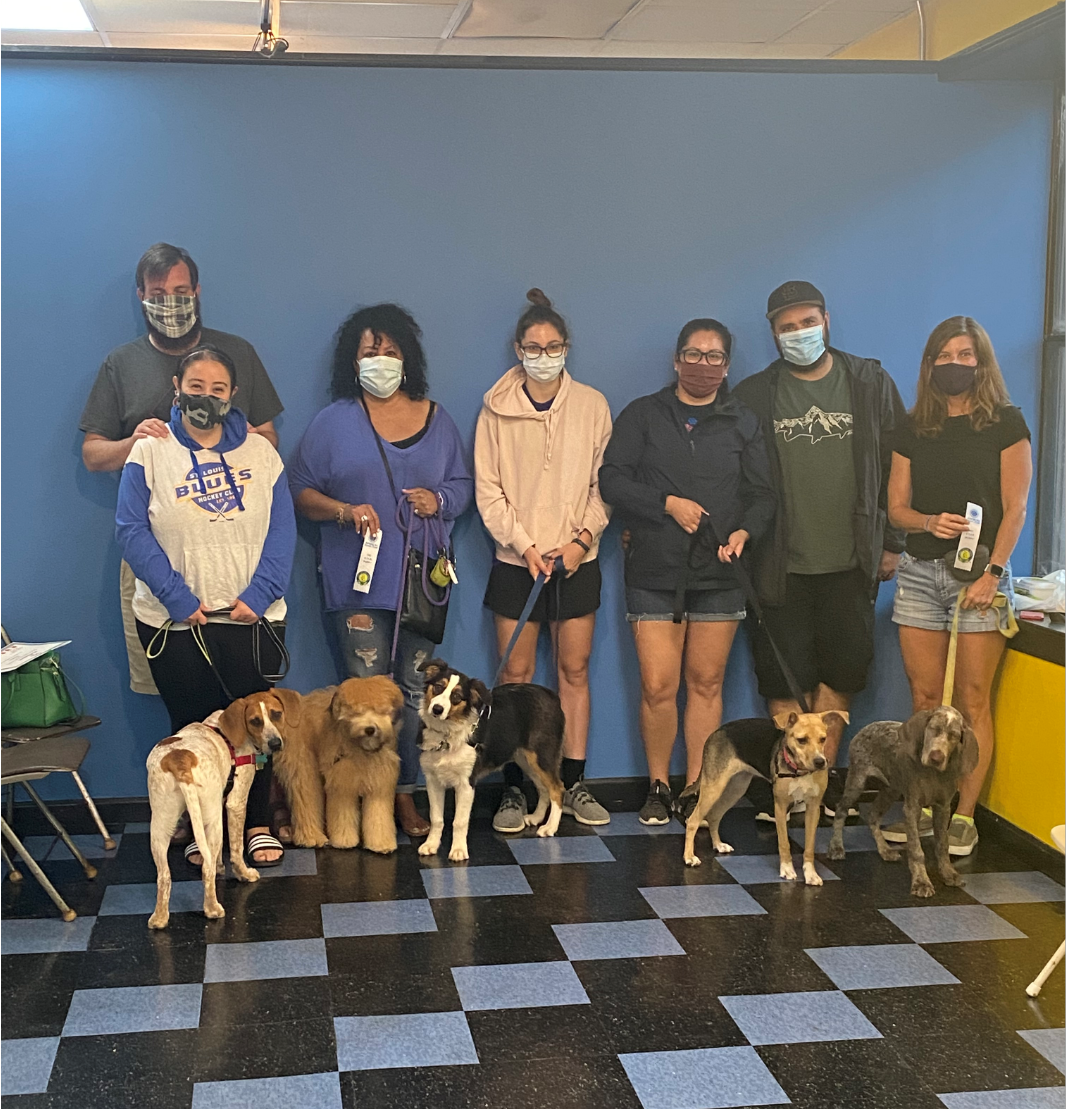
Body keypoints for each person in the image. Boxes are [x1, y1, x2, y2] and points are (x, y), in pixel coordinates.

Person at [287, 303, 472, 839]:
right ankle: (359, 795)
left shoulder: (439, 421)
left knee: (415, 693)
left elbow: (463, 487)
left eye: (390, 351)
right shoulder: (332, 423)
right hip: (356, 583)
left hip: (420, 584)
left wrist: (437, 499)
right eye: (371, 352)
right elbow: (299, 491)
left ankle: (405, 796)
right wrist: (344, 512)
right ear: (354, 360)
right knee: (365, 693)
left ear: (407, 358)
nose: (381, 361)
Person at [115, 346, 295, 866]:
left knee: (257, 730)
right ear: (177, 386)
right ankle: (203, 827)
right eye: (196, 387)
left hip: (251, 618)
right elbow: (131, 529)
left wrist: (259, 596)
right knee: (196, 728)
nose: (206, 398)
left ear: (232, 394)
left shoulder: (262, 454)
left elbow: (283, 533)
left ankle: (257, 821)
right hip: (174, 622)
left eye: (218, 389)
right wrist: (176, 596)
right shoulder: (149, 449)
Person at [734, 280, 905, 818]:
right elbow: (733, 474)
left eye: (808, 322)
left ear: (826, 321)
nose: (799, 333)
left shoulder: (869, 381)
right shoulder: (754, 395)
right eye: (787, 327)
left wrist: (892, 541)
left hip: (854, 562)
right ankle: (786, 793)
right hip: (778, 565)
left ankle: (823, 795)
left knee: (842, 676)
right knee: (783, 679)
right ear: (773, 334)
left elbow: (901, 464)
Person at [82, 242, 283, 699]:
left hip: (238, 558)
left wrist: (245, 437)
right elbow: (93, 454)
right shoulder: (122, 364)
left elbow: (271, 442)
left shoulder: (238, 353)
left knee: (249, 704)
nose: (170, 302)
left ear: (196, 291)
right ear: (141, 296)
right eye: (158, 292)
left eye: (180, 290)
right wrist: (134, 442)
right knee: (180, 697)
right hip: (159, 555)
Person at [599, 318, 776, 825]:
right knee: (657, 685)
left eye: (714, 356)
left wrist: (744, 534)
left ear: (726, 365)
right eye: (693, 355)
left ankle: (701, 786)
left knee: (705, 683)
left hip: (721, 573)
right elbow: (611, 479)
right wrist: (666, 504)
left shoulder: (742, 420)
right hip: (654, 571)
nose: (703, 365)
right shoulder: (643, 415)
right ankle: (658, 784)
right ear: (677, 360)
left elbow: (763, 496)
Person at [886, 316, 1031, 857]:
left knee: (972, 702)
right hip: (921, 575)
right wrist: (928, 523)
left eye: (966, 355)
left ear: (982, 362)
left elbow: (1016, 506)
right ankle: (922, 808)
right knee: (924, 702)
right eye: (944, 355)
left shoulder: (1006, 422)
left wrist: (994, 573)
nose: (955, 364)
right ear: (929, 364)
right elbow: (896, 509)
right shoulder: (911, 426)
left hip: (982, 576)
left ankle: (963, 816)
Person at [475, 288, 613, 830]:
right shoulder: (494, 411)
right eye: (533, 346)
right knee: (515, 675)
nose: (544, 354)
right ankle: (514, 790)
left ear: (567, 348)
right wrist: (526, 546)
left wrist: (579, 542)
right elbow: (488, 493)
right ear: (518, 349)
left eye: (553, 345)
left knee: (573, 672)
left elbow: (605, 487)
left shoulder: (593, 406)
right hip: (518, 563)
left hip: (577, 559)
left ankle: (571, 784)